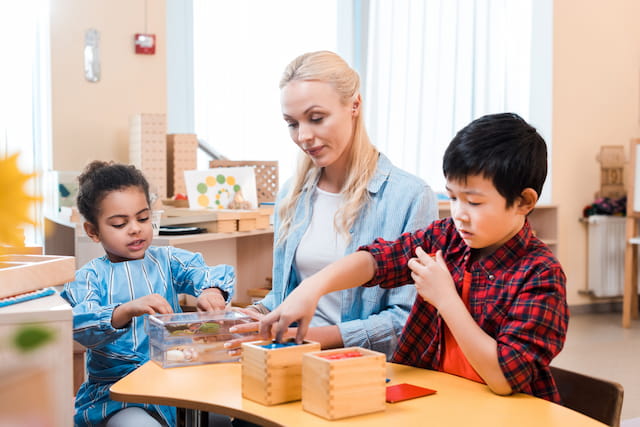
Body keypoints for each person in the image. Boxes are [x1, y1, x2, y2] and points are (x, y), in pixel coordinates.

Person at [260, 112, 569, 403]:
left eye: (474, 202)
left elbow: (504, 378)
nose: (459, 214)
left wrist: (446, 299)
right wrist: (311, 289)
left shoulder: (540, 274)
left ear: (524, 202)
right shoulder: (446, 238)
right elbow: (378, 260)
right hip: (440, 403)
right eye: (452, 197)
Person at [231, 50, 437, 359]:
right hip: (288, 358)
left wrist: (307, 338)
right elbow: (284, 296)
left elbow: (407, 319)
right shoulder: (292, 196)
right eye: (292, 123)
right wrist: (252, 317)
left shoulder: (410, 196)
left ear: (354, 105)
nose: (304, 136)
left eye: (316, 118)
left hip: (360, 374)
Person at [61, 161, 236, 427]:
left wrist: (211, 290)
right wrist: (127, 309)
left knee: (223, 415)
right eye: (120, 224)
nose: (135, 228)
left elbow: (203, 271)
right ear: (93, 231)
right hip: (119, 395)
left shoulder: (166, 259)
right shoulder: (89, 276)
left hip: (176, 379)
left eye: (143, 218)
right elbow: (81, 325)